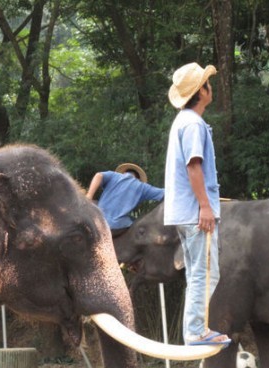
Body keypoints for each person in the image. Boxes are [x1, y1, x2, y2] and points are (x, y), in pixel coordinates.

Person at [163, 62, 230, 347]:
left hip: (184, 213)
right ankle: (196, 332)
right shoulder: (193, 124)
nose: (210, 87)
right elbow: (194, 167)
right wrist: (205, 206)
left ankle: (195, 329)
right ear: (201, 92)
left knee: (197, 273)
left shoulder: (184, 121)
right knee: (206, 272)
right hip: (194, 213)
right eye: (206, 83)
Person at [85, 163, 165, 236]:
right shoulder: (142, 187)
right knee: (135, 222)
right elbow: (164, 193)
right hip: (116, 226)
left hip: (98, 219)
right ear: (138, 178)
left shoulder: (114, 176)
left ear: (124, 172)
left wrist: (89, 195)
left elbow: (99, 175)